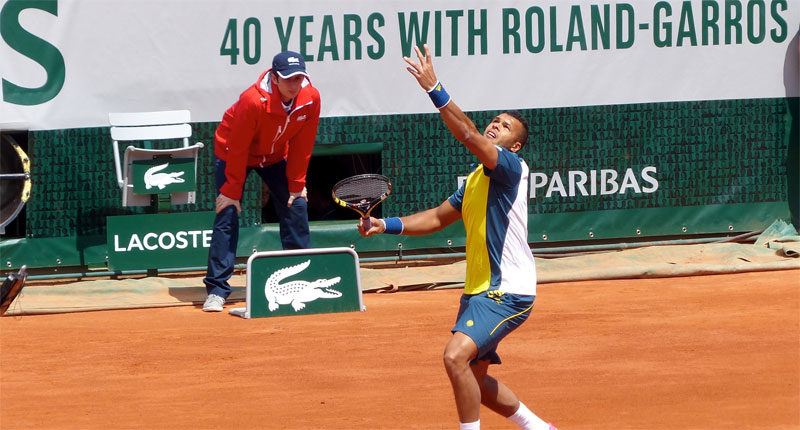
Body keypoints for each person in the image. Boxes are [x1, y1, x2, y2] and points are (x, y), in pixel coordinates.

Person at [358, 44, 557, 430]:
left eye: (505, 126)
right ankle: (539, 427)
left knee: (454, 358)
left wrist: (435, 88)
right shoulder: (474, 182)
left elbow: (466, 132)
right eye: (494, 120)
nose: (495, 125)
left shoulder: (511, 167)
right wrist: (385, 225)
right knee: (476, 381)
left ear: (515, 145)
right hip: (478, 290)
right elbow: (436, 218)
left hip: (507, 290)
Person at [203, 51, 321, 312]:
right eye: (288, 79)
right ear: (275, 78)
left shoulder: (310, 98)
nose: (294, 84)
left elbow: (303, 144)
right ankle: (217, 290)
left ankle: (302, 279)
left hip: (275, 156)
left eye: (299, 78)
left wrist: (297, 183)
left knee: (296, 205)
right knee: (228, 211)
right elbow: (238, 146)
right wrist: (232, 191)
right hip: (233, 151)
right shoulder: (253, 101)